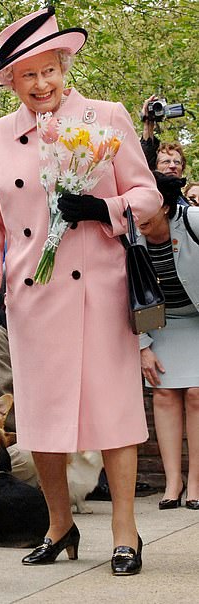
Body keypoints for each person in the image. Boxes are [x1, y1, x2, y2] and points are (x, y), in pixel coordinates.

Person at [0, 6, 161, 575]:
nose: (41, 83)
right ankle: (60, 525)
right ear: (12, 81)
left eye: (48, 68)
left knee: (115, 411)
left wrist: (105, 208)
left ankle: (126, 530)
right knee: (43, 419)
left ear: (64, 63)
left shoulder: (106, 116)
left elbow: (149, 197)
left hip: (101, 293)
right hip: (33, 296)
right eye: (27, 74)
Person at [137, 176, 199, 512]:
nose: (140, 224)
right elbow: (128, 293)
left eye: (146, 216)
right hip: (162, 322)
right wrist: (143, 346)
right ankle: (173, 480)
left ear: (163, 205)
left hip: (198, 319)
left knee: (196, 394)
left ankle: (197, 481)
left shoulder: (192, 221)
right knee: (162, 393)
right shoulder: (131, 236)